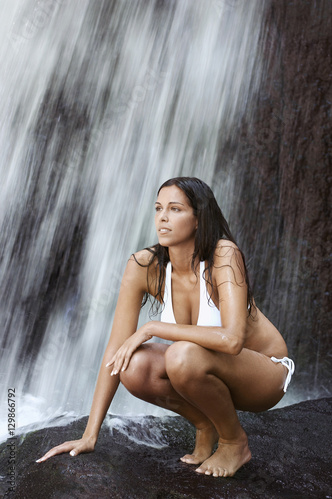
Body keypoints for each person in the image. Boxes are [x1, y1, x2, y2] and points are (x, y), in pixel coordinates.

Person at [36, 177, 295, 477]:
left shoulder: (223, 255)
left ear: (199, 219)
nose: (162, 217)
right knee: (131, 365)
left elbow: (232, 340)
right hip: (207, 369)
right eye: (159, 208)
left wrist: (152, 328)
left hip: (265, 375)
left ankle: (234, 442)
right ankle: (205, 424)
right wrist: (90, 434)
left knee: (181, 356)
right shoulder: (144, 266)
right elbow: (115, 349)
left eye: (175, 209)